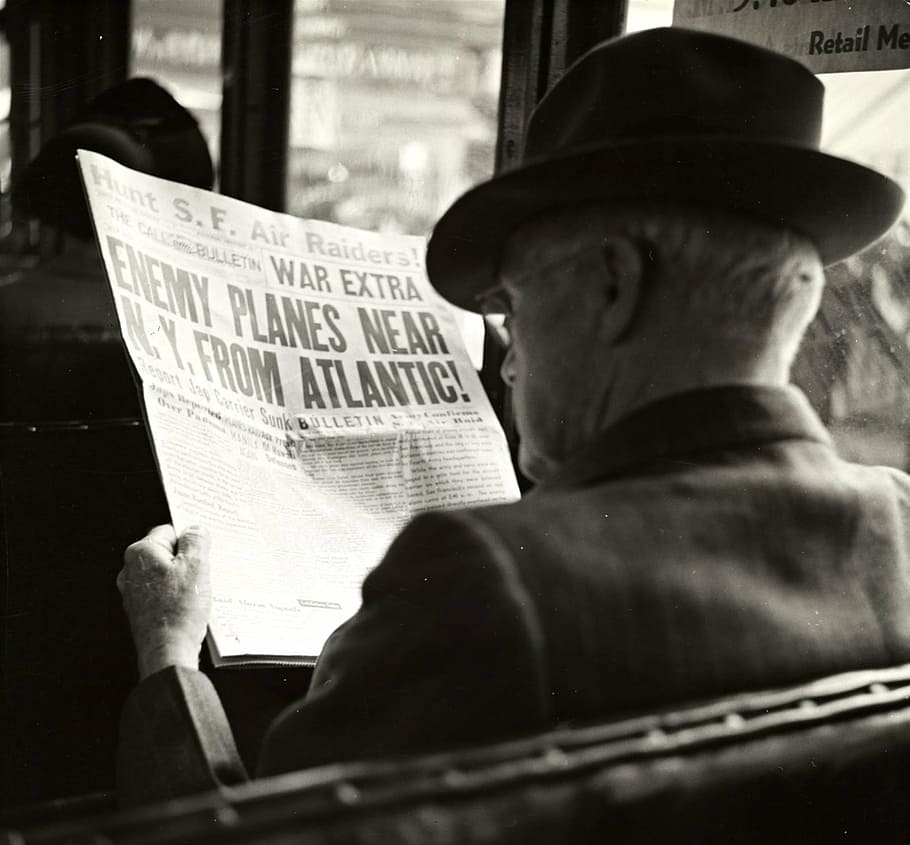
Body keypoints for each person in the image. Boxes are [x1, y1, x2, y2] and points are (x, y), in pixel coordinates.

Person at [115, 27, 910, 805]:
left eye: (513, 304)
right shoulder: (898, 525)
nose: (508, 358)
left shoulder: (480, 579)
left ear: (613, 285)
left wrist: (170, 651)